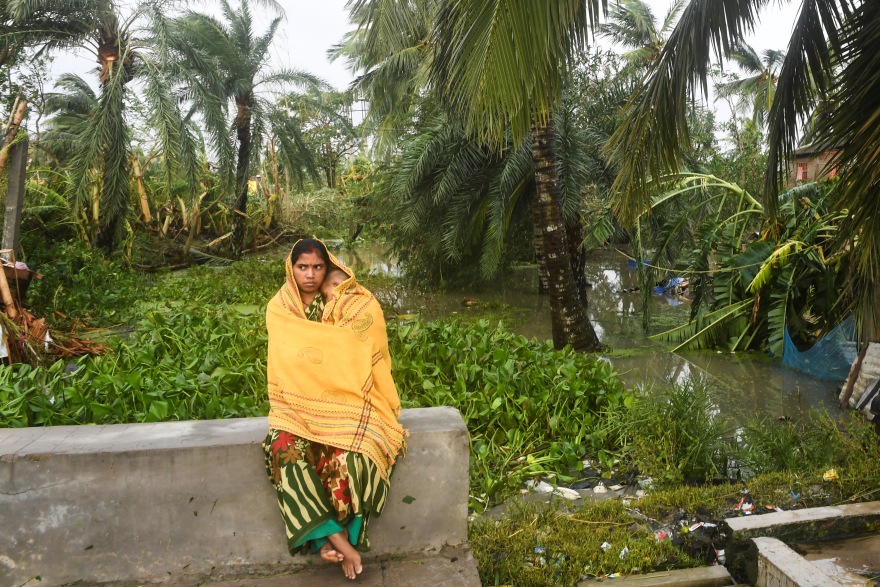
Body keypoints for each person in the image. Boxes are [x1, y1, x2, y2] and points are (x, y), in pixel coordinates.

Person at [262, 238, 407, 580]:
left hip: (348, 402)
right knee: (285, 454)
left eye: (317, 267)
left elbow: (359, 344)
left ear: (328, 268)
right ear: (291, 269)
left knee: (357, 453)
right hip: (295, 407)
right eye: (302, 267)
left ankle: (340, 539)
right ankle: (341, 543)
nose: (310, 275)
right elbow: (289, 362)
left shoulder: (346, 299)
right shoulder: (280, 308)